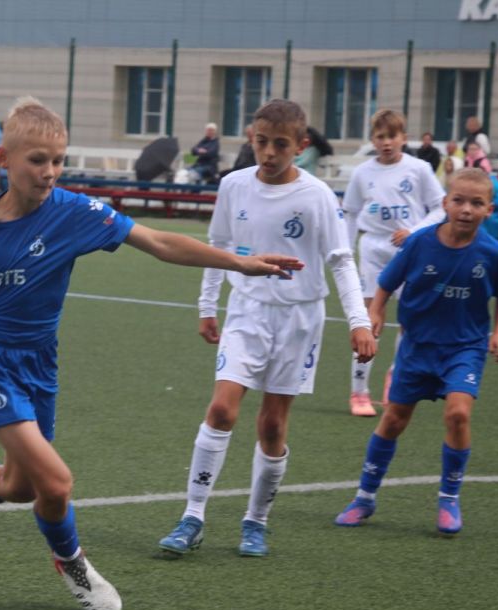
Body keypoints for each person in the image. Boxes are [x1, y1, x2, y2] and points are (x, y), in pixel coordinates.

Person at [0, 97, 301, 610]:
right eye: (38, 160)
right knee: (55, 483)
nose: (50, 171)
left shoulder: (75, 213)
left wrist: (241, 263)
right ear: (4, 159)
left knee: (18, 485)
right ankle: (73, 564)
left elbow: (159, 242)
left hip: (39, 360)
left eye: (58, 160)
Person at [159, 99, 375, 558]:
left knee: (273, 425)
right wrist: (207, 305)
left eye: (281, 144)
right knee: (222, 410)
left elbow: (341, 261)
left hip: (299, 320)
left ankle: (256, 522)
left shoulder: (317, 196)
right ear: (251, 139)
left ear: (301, 145)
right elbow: (218, 247)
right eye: (262, 142)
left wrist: (359, 321)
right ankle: (192, 516)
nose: (270, 153)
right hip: (247, 312)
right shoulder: (234, 185)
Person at [335, 168, 498, 536]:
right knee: (394, 419)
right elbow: (386, 283)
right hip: (417, 347)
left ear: (489, 210)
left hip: (464, 348)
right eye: (459, 200)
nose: (466, 209)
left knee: (458, 414)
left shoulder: (494, 253)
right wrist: (375, 312)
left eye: (476, 203)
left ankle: (449, 498)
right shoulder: (419, 243)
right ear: (445, 203)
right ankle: (364, 497)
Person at [340, 110, 445, 417]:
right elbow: (350, 213)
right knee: (369, 318)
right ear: (372, 140)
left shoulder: (419, 168)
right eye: (380, 137)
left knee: (410, 319)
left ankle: (395, 377)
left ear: (404, 138)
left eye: (392, 136)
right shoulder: (363, 172)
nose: (386, 142)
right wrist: (345, 252)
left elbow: (441, 208)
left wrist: (415, 231)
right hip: (373, 248)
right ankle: (359, 391)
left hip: (409, 250)